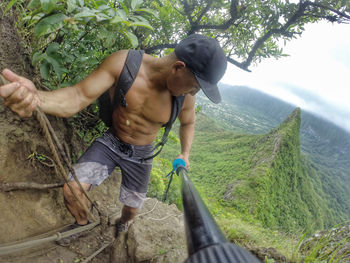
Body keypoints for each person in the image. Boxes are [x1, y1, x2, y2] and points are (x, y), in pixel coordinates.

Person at [0, 34, 227, 245]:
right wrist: (36, 98)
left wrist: (185, 153)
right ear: (178, 67)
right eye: (195, 86)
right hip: (111, 142)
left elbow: (188, 123)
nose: (194, 93)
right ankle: (83, 222)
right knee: (71, 190)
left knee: (131, 211)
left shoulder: (184, 98)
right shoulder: (125, 64)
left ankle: (122, 224)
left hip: (142, 155)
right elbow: (78, 96)